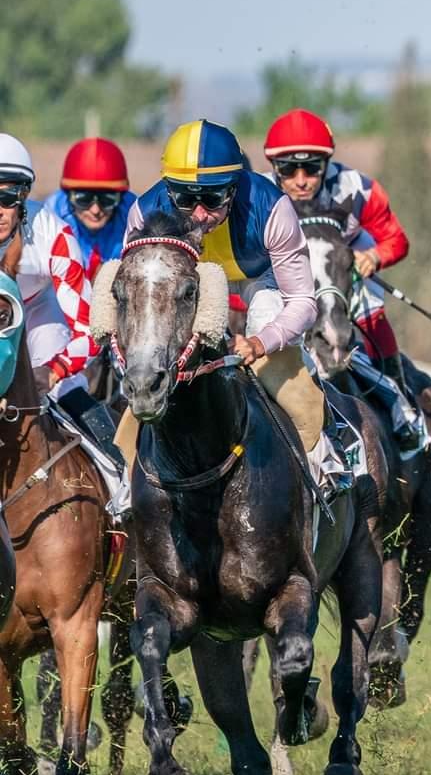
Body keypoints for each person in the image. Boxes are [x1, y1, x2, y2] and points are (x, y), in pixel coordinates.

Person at [122, 119, 352, 499]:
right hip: (188, 283)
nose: (198, 213)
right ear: (168, 189)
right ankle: (128, 481)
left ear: (234, 187)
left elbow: (303, 302)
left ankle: (323, 460)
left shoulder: (271, 206)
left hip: (259, 279)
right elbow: (134, 293)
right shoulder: (144, 211)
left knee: (268, 322)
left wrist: (261, 344)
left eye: (212, 199)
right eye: (185, 198)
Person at [262, 108, 428, 455]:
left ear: (327, 165)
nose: (302, 179)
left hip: (343, 270)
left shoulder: (358, 188)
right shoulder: (259, 194)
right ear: (273, 167)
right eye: (289, 169)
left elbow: (396, 239)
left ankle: (402, 412)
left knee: (373, 311)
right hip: (284, 277)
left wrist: (375, 257)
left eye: (312, 168)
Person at [0, 134, 126, 516]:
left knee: (69, 388)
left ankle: (119, 476)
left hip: (38, 319)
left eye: (7, 199)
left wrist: (53, 372)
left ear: (24, 197)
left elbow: (91, 329)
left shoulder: (53, 231)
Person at [52, 137, 138, 283]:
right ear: (68, 195)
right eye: (83, 199)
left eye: (107, 199)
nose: (95, 210)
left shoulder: (137, 218)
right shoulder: (49, 220)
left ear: (122, 197)